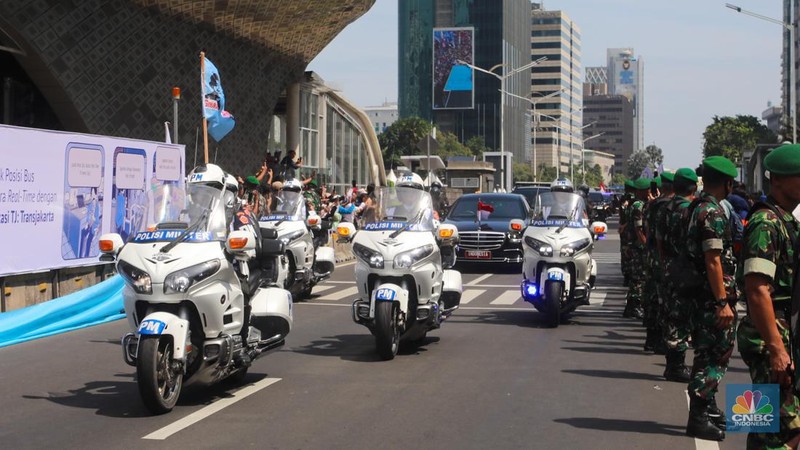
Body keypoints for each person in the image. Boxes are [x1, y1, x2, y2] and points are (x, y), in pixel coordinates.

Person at [737, 143, 800, 449]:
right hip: (769, 334)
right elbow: (757, 289)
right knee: (785, 430)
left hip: (779, 330)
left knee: (764, 426)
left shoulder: (785, 220)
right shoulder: (766, 223)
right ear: (777, 180)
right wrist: (776, 349)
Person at [684, 156, 739, 442]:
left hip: (702, 294)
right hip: (711, 297)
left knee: (709, 353)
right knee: (713, 356)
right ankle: (698, 417)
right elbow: (713, 260)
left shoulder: (698, 207)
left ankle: (707, 407)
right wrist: (722, 301)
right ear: (728, 183)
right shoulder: (712, 213)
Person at [657, 168, 698, 384]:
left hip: (669, 267)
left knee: (671, 316)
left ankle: (673, 363)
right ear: (694, 187)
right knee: (683, 319)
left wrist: (666, 264)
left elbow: (660, 242)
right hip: (686, 271)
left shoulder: (664, 209)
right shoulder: (690, 211)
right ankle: (676, 366)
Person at [643, 172, 673, 353]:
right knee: (666, 301)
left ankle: (651, 339)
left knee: (653, 298)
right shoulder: (673, 207)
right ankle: (662, 340)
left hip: (652, 256)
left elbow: (647, 230)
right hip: (666, 259)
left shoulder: (651, 205)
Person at [622, 178, 649, 319]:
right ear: (642, 191)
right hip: (637, 247)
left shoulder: (637, 204)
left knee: (636, 278)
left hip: (634, 246)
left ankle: (630, 307)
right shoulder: (638, 206)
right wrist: (645, 245)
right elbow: (639, 229)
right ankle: (635, 306)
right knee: (639, 278)